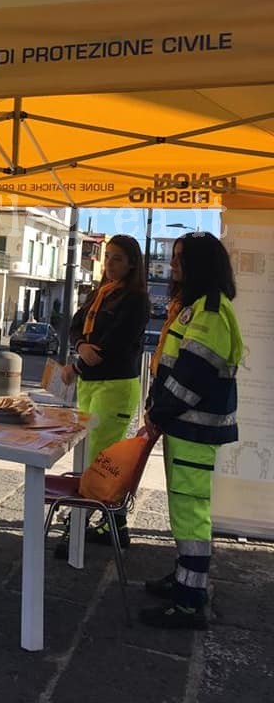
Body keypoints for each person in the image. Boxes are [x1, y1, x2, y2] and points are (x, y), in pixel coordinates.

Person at [141, 233, 242, 630]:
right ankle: (185, 579)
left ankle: (188, 601)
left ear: (203, 264)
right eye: (175, 256)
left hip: (191, 428)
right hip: (184, 426)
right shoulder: (198, 307)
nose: (175, 264)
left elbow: (191, 378)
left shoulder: (211, 312)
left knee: (190, 515)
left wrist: (159, 412)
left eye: (182, 258)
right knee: (184, 510)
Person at [60, 234, 150, 551]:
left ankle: (78, 530)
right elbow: (74, 326)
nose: (110, 264)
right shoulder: (99, 294)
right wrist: (80, 346)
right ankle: (115, 524)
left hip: (115, 386)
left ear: (132, 264)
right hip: (90, 384)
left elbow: (113, 345)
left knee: (100, 457)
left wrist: (78, 365)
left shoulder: (136, 299)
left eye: (117, 259)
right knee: (89, 454)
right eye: (108, 256)